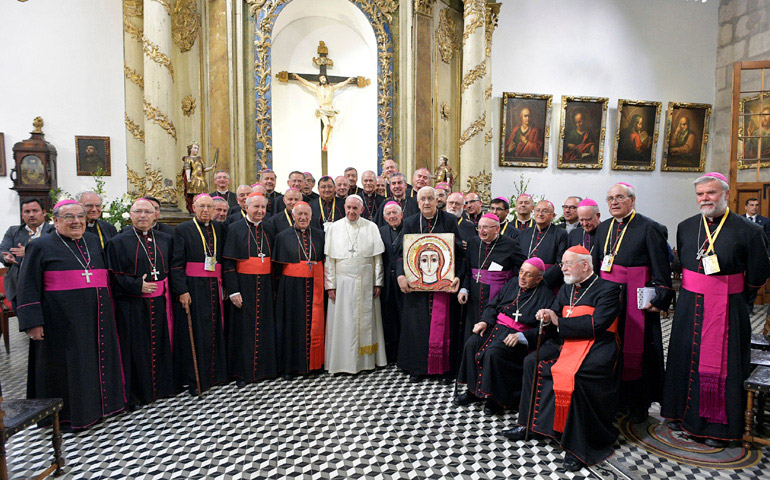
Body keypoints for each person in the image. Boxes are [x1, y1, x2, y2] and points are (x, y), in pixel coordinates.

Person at [662, 172, 770, 447]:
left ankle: (716, 428)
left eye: (710, 193)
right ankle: (678, 414)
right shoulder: (686, 226)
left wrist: (737, 297)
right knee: (684, 356)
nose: (705, 199)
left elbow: (758, 273)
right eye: (700, 194)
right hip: (688, 304)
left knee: (724, 366)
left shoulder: (749, 230)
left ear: (725, 194)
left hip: (727, 306)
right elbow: (681, 263)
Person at [503, 246, 622, 471]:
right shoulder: (566, 289)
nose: (563, 268)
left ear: (585, 265)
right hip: (565, 343)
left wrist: (558, 322)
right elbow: (555, 313)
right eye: (562, 264)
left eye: (568, 264)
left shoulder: (608, 289)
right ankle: (529, 425)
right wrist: (547, 316)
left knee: (577, 374)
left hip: (597, 346)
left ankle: (578, 445)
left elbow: (598, 324)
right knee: (532, 361)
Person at [17, 199, 125, 430]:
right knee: (70, 368)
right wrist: (32, 323)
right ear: (55, 220)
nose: (76, 222)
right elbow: (27, 286)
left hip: (97, 319)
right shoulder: (40, 246)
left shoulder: (93, 241)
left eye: (80, 217)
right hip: (61, 323)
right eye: (69, 217)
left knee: (95, 363)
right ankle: (70, 416)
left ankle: (100, 408)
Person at [592, 182, 673, 423]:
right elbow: (598, 264)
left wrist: (661, 297)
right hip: (608, 295)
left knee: (641, 349)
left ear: (632, 200)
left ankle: (639, 403)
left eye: (619, 198)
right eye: (610, 199)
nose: (614, 203)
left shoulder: (650, 227)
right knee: (609, 344)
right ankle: (615, 396)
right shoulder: (603, 227)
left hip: (636, 298)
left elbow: (662, 268)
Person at [456, 258, 554, 415]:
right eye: (521, 271)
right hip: (497, 327)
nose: (522, 277)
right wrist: (484, 321)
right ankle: (473, 391)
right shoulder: (512, 283)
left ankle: (496, 399)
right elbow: (493, 305)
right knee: (472, 342)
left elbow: (545, 330)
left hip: (517, 336)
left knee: (494, 353)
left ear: (539, 278)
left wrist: (522, 336)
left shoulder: (546, 296)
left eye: (528, 275)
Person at [105, 199, 174, 408]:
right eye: (138, 212)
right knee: (135, 349)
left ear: (155, 215)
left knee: (161, 344)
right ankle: (136, 394)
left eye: (148, 212)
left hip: (160, 303)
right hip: (132, 305)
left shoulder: (165, 239)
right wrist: (136, 285)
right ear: (130, 215)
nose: (143, 216)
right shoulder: (117, 242)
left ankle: (162, 388)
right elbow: (112, 275)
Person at [396, 187, 464, 382]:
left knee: (445, 326)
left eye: (430, 199)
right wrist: (401, 276)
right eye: (422, 199)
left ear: (437, 201)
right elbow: (401, 254)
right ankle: (418, 367)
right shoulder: (409, 222)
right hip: (417, 287)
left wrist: (458, 276)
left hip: (444, 286)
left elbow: (458, 253)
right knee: (417, 326)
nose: (426, 202)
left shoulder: (449, 221)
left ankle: (444, 370)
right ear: (417, 202)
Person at [170, 194, 227, 395]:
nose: (205, 210)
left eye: (209, 207)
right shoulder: (182, 230)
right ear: (194, 207)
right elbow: (176, 263)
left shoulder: (220, 228)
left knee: (214, 328)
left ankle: (215, 375)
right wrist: (182, 290)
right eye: (201, 206)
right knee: (195, 331)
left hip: (214, 283)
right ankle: (196, 379)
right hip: (193, 287)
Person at [324, 196, 387, 373]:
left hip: (366, 282)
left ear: (361, 210)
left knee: (367, 322)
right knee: (343, 321)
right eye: (349, 208)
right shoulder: (334, 228)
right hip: (342, 284)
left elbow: (377, 259)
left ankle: (366, 363)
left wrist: (378, 282)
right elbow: (330, 260)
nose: (351, 212)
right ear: (344, 208)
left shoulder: (371, 227)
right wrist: (330, 285)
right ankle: (342, 363)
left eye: (355, 209)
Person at [222, 193, 278, 385]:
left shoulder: (269, 228)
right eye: (256, 207)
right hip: (243, 285)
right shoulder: (234, 229)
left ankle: (265, 370)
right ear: (246, 207)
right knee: (243, 329)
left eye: (263, 207)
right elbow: (228, 263)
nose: (260, 211)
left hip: (265, 285)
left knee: (264, 326)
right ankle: (242, 372)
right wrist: (233, 291)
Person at [273, 202, 326, 377]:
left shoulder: (320, 235)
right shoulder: (282, 237)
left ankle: (314, 364)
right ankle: (291, 367)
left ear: (311, 216)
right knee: (292, 326)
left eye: (306, 214)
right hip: (291, 289)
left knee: (314, 324)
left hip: (315, 286)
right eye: (299, 214)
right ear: (293, 216)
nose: (303, 218)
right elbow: (277, 270)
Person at [458, 214, 526, 341]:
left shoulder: (510, 245)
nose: (482, 231)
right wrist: (464, 289)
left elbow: (523, 267)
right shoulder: (473, 242)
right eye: (479, 227)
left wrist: (511, 290)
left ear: (497, 229)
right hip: (474, 296)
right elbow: (467, 269)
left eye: (486, 227)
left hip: (497, 297)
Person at [1, 198, 54, 309]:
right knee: (25, 324)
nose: (31, 215)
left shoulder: (53, 231)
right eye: (27, 212)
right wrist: (6, 258)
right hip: (18, 287)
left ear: (44, 213)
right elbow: (2, 250)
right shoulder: (13, 231)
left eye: (35, 211)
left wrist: (30, 253)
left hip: (48, 286)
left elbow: (57, 252)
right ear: (22, 215)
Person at [290, 73, 356, 151]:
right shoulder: (318, 88)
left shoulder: (331, 88)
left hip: (331, 110)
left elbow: (340, 85)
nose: (322, 80)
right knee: (327, 125)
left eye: (323, 78)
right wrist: (298, 77)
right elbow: (307, 83)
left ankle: (327, 145)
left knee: (331, 126)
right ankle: (324, 143)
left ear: (326, 79)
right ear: (319, 81)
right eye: (321, 79)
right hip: (323, 109)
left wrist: (348, 80)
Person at [518, 200, 567, 290]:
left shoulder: (561, 234)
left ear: (553, 216)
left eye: (545, 211)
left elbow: (560, 261)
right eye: (538, 210)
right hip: (524, 280)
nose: (540, 214)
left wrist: (541, 279)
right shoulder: (524, 234)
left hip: (547, 282)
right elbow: (517, 258)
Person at [379, 201, 404, 362]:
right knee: (388, 318)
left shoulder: (409, 230)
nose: (392, 216)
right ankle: (391, 354)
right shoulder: (380, 231)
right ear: (384, 217)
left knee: (404, 317)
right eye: (388, 214)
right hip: (387, 282)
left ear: (401, 214)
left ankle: (404, 353)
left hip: (405, 282)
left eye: (395, 212)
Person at [182, 142, 217, 213]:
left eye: (197, 149)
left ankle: (202, 207)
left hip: (201, 179)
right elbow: (187, 168)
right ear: (190, 149)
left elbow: (203, 169)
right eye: (195, 148)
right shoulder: (188, 159)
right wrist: (188, 178)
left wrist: (211, 167)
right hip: (194, 179)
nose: (196, 150)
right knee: (195, 193)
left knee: (202, 194)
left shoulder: (199, 159)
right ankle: (195, 209)